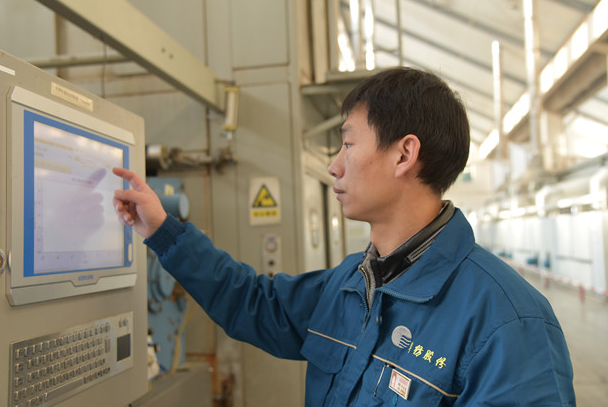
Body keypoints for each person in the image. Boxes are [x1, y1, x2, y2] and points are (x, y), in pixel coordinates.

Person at [113, 67, 575, 406]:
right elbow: (251, 302)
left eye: (349, 144)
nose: (334, 165)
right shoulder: (351, 286)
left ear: (404, 155)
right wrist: (162, 230)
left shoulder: (508, 322)